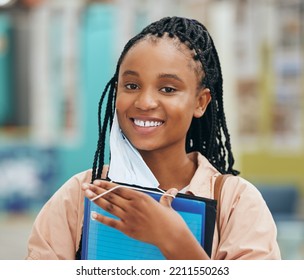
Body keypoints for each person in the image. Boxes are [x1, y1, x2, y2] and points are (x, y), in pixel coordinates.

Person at [26, 16, 281, 260]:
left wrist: (175, 241)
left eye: (168, 89)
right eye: (132, 86)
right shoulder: (78, 195)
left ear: (200, 102)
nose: (145, 102)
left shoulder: (237, 202)